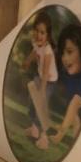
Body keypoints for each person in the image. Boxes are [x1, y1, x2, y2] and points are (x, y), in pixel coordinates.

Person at [50, 24, 81, 146]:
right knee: (75, 119)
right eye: (63, 53)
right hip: (74, 97)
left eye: (69, 52)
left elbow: (75, 102)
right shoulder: (67, 74)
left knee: (74, 104)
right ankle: (73, 141)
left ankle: (60, 134)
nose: (64, 58)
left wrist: (62, 128)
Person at [23, 11, 57, 150]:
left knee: (41, 106)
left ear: (48, 35)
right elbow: (33, 53)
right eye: (36, 31)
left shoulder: (48, 51)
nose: (39, 35)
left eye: (42, 32)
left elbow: (45, 72)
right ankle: (34, 129)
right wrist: (26, 62)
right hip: (40, 78)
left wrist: (42, 90)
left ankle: (44, 139)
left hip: (49, 81)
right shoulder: (37, 43)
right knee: (32, 103)